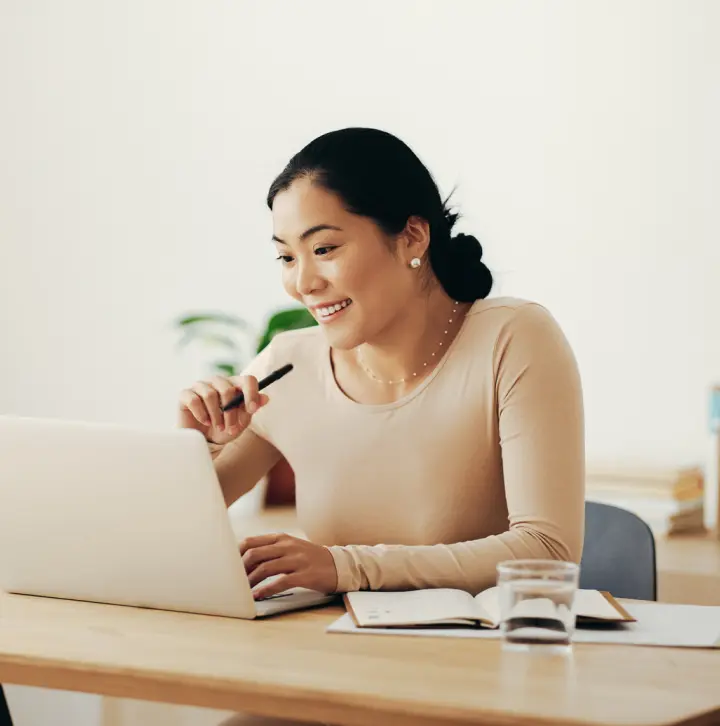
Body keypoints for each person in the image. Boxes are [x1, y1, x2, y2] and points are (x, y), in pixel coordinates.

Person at [178, 126, 585, 725]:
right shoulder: (288, 365)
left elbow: (547, 551)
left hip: (477, 687)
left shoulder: (513, 338)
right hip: (327, 677)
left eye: (325, 249)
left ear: (412, 236)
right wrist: (198, 444)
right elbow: (171, 529)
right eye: (287, 256)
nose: (303, 282)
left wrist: (344, 566)